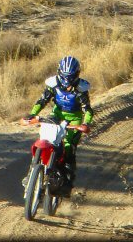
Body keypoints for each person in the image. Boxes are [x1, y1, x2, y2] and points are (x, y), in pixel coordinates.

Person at [23, 55, 94, 189]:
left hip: (74, 118)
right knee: (45, 137)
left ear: (76, 74)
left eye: (70, 76)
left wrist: (86, 124)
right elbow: (42, 100)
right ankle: (31, 173)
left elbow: (88, 109)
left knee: (68, 147)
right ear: (59, 72)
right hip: (57, 114)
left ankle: (67, 180)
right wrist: (33, 114)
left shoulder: (81, 89)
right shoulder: (53, 84)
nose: (67, 80)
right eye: (64, 75)